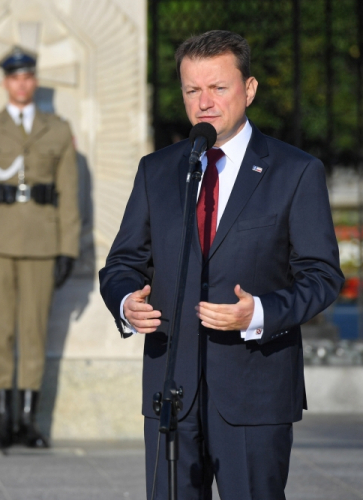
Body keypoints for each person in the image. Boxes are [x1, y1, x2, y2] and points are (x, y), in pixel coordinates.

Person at [99, 31, 344, 499]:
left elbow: (322, 275)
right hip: (172, 393)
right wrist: (128, 301)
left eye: (218, 88)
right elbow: (122, 262)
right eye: (193, 90)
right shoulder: (158, 169)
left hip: (256, 394)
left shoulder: (295, 171)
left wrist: (258, 313)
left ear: (249, 89)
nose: (204, 102)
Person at [0, 46, 80, 449]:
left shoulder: (58, 129)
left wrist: (69, 248)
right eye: (15, 77)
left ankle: (28, 421)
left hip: (43, 241)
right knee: (1, 334)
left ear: (34, 80)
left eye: (28, 76)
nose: (21, 83)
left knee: (34, 333)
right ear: (5, 82)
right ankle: (3, 420)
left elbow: (69, 192)